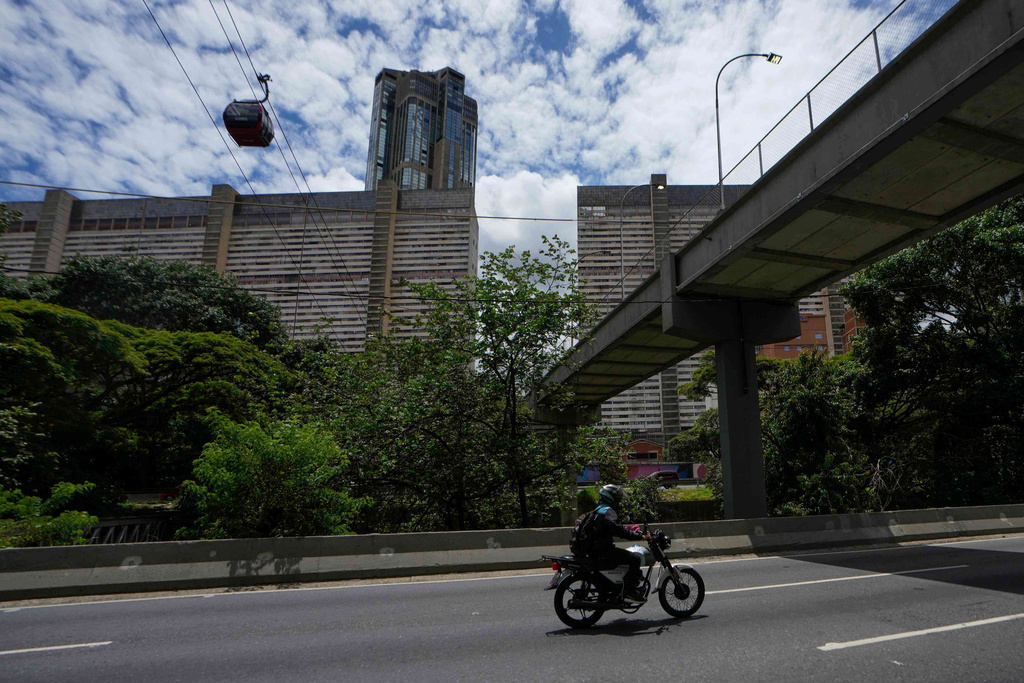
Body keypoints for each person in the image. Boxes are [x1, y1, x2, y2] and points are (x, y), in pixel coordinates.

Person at [586, 484, 652, 602]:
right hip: (604, 551)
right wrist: (639, 536)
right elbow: (619, 531)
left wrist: (630, 529)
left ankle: (618, 587)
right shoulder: (608, 511)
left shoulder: (599, 510)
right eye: (617, 498)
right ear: (610, 498)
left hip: (595, 550)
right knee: (635, 558)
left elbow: (614, 528)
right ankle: (630, 592)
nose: (619, 501)